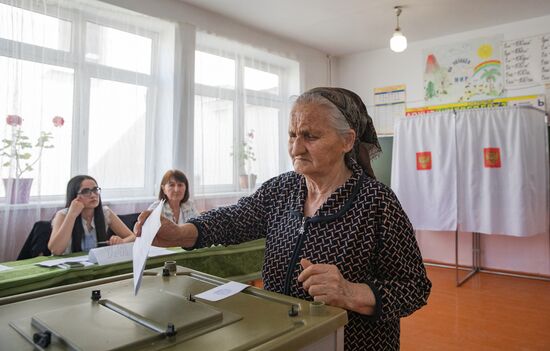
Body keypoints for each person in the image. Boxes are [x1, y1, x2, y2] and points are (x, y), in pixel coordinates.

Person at [135, 87, 431, 350]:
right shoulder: (281, 189)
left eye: (310, 136)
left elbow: (414, 288)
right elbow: (235, 219)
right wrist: (180, 234)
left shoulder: (377, 203)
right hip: (283, 338)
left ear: (347, 141)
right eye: (292, 135)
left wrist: (350, 292)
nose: (295, 148)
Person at [48, 175, 135, 255]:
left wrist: (121, 242)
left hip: (94, 264)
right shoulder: (63, 215)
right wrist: (72, 215)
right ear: (75, 196)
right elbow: (56, 250)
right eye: (86, 191)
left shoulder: (105, 212)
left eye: (95, 190)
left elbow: (133, 237)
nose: (93, 195)